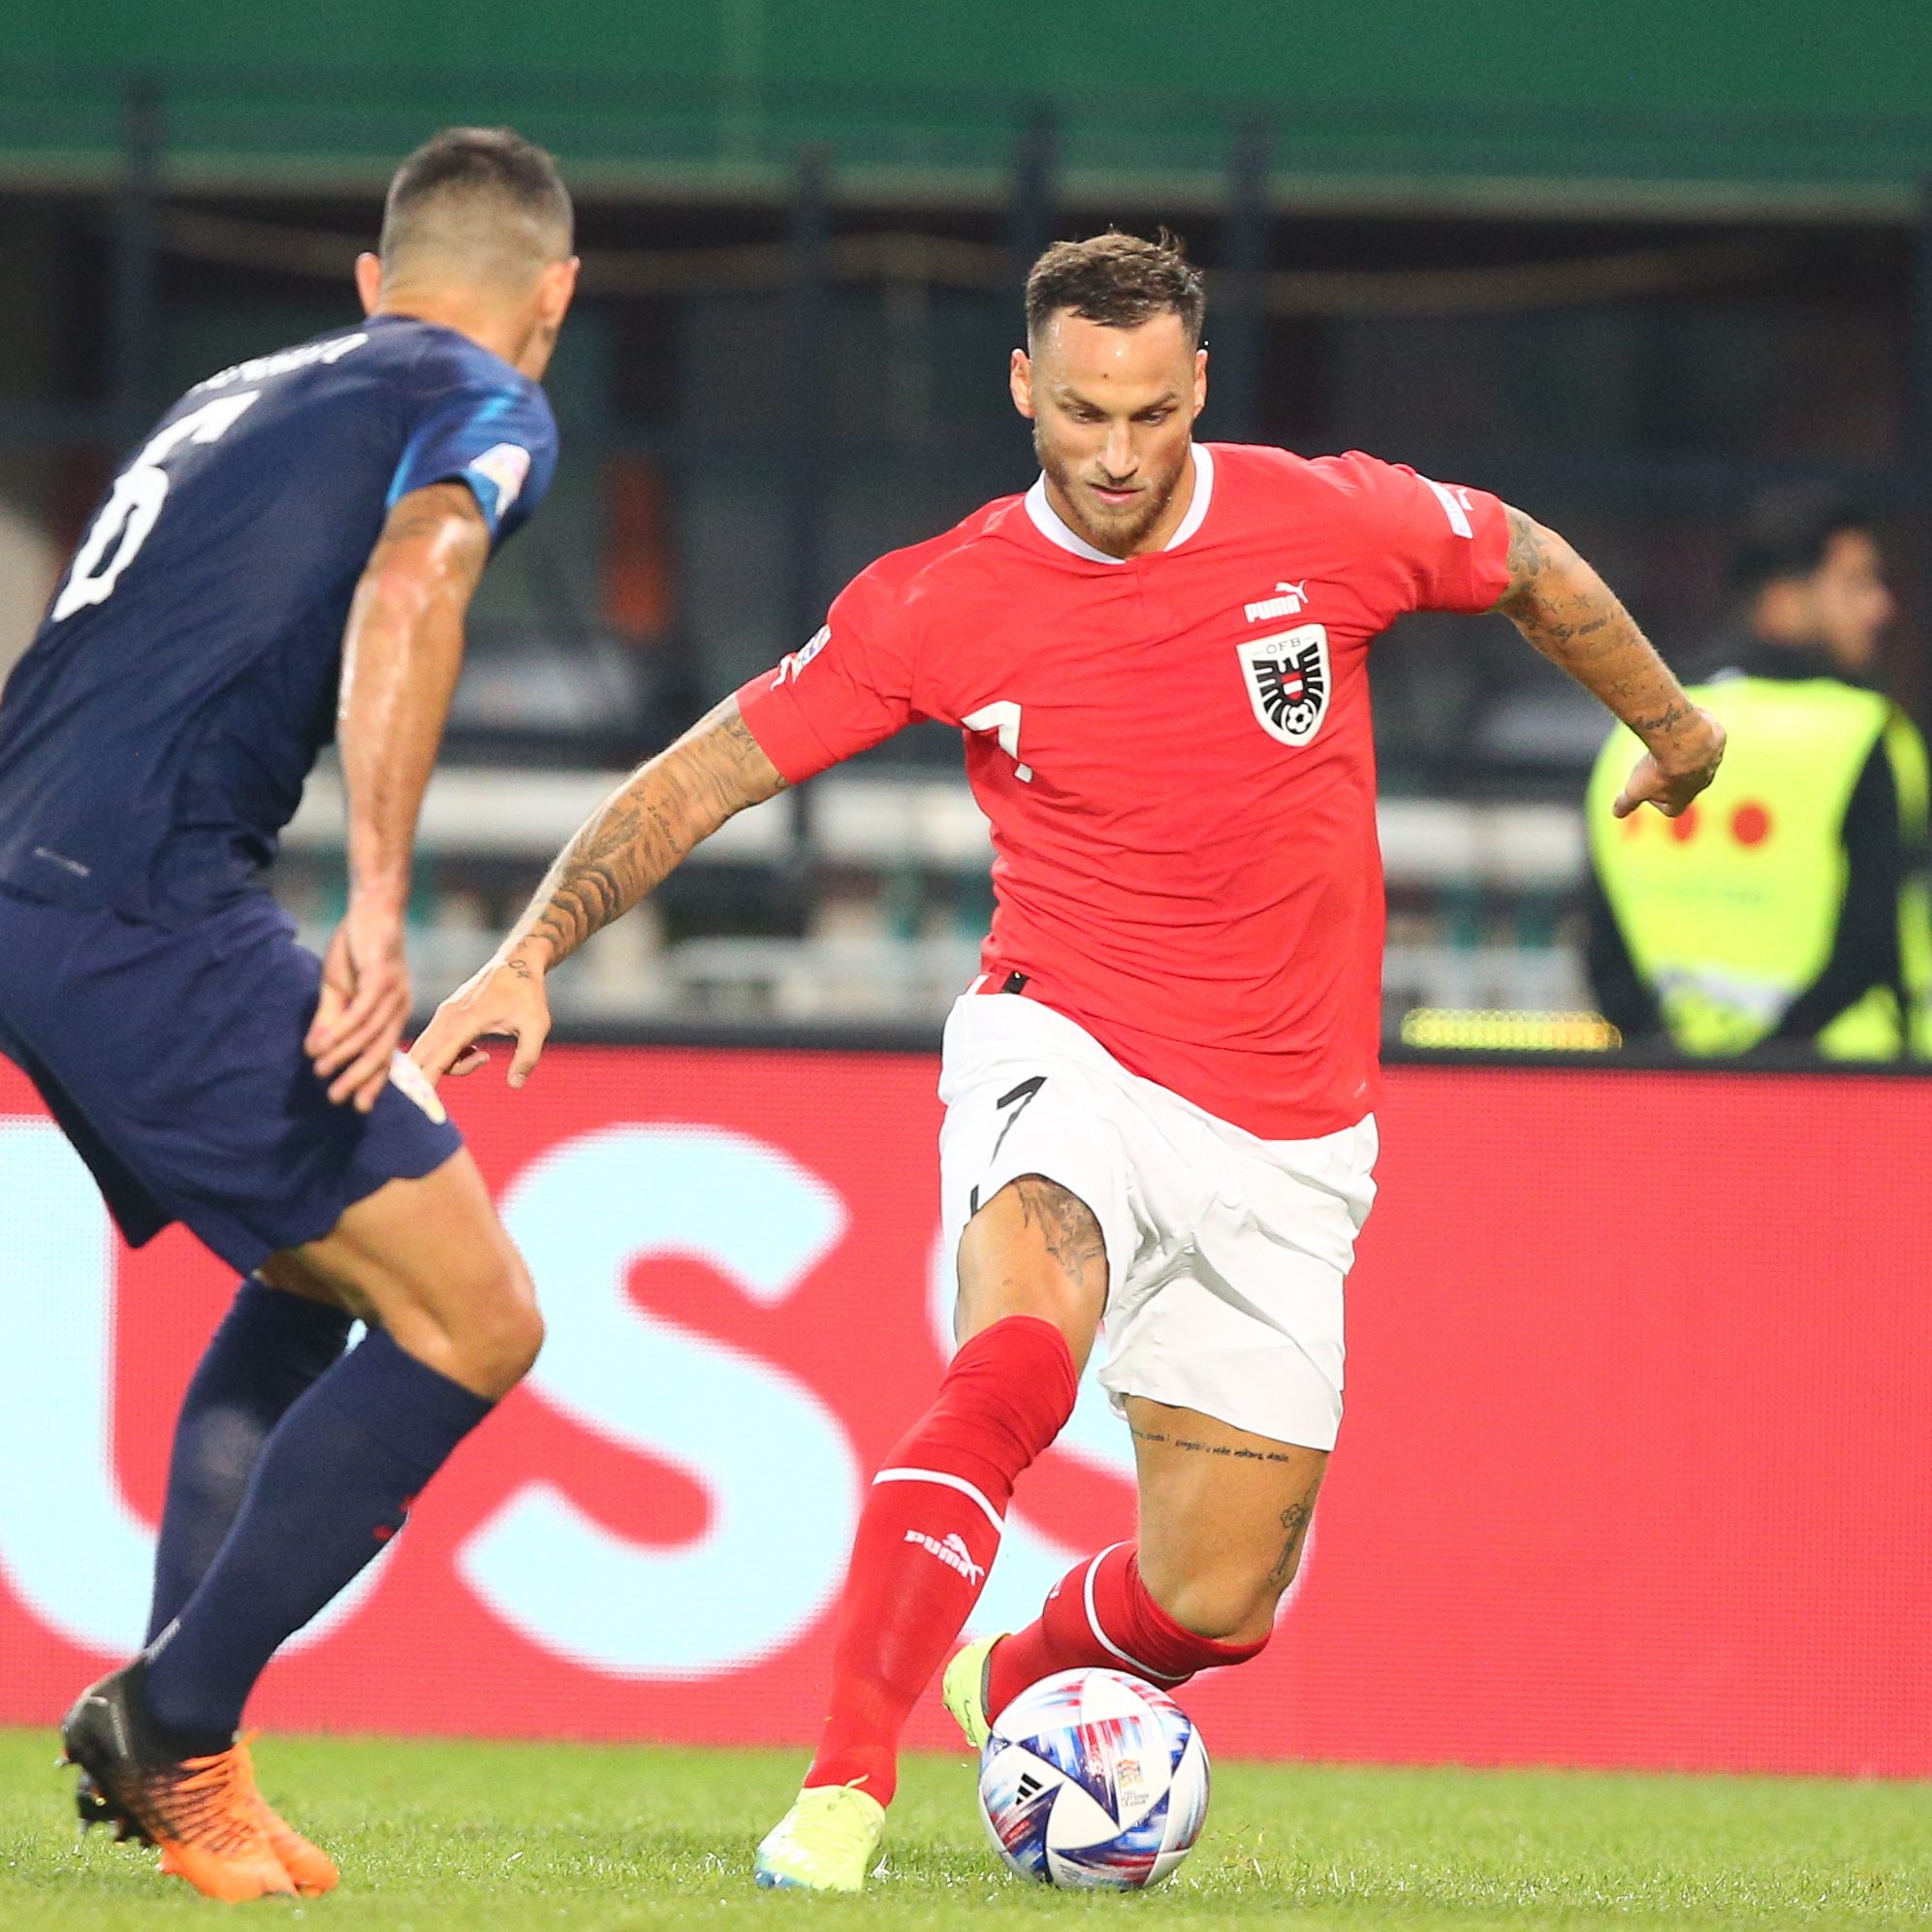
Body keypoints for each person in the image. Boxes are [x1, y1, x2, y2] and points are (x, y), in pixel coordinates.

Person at [412, 231, 1723, 1892]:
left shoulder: (1327, 521)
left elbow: (1526, 559)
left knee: (1213, 1602)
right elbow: (706, 773)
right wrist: (529, 949)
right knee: (1019, 1354)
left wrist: (1671, 728)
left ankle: (1006, 1678)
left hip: (1289, 1131)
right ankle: (842, 1784)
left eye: (1150, 416)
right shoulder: (940, 598)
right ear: (1025, 388)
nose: (1113, 455)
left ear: (1196, 395)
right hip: (1070, 1038)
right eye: (1082, 412)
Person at [0, 128, 576, 1900]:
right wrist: (385, 899)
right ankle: (172, 1723)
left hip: (48, 887)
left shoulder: (244, 387)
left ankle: (181, 1742)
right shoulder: (486, 392)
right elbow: (413, 583)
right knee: (476, 1320)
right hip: (150, 907)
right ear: (553, 295)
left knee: (318, 1264)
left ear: (366, 278)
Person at [1585, 489, 1929, 1057]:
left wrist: (1681, 1065)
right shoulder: (1864, 732)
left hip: (1677, 1094)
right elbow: (1876, 943)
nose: (1881, 607)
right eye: (1856, 583)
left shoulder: (1636, 732)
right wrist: (1775, 1060)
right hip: (1854, 1093)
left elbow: (1604, 953)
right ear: (1783, 600)